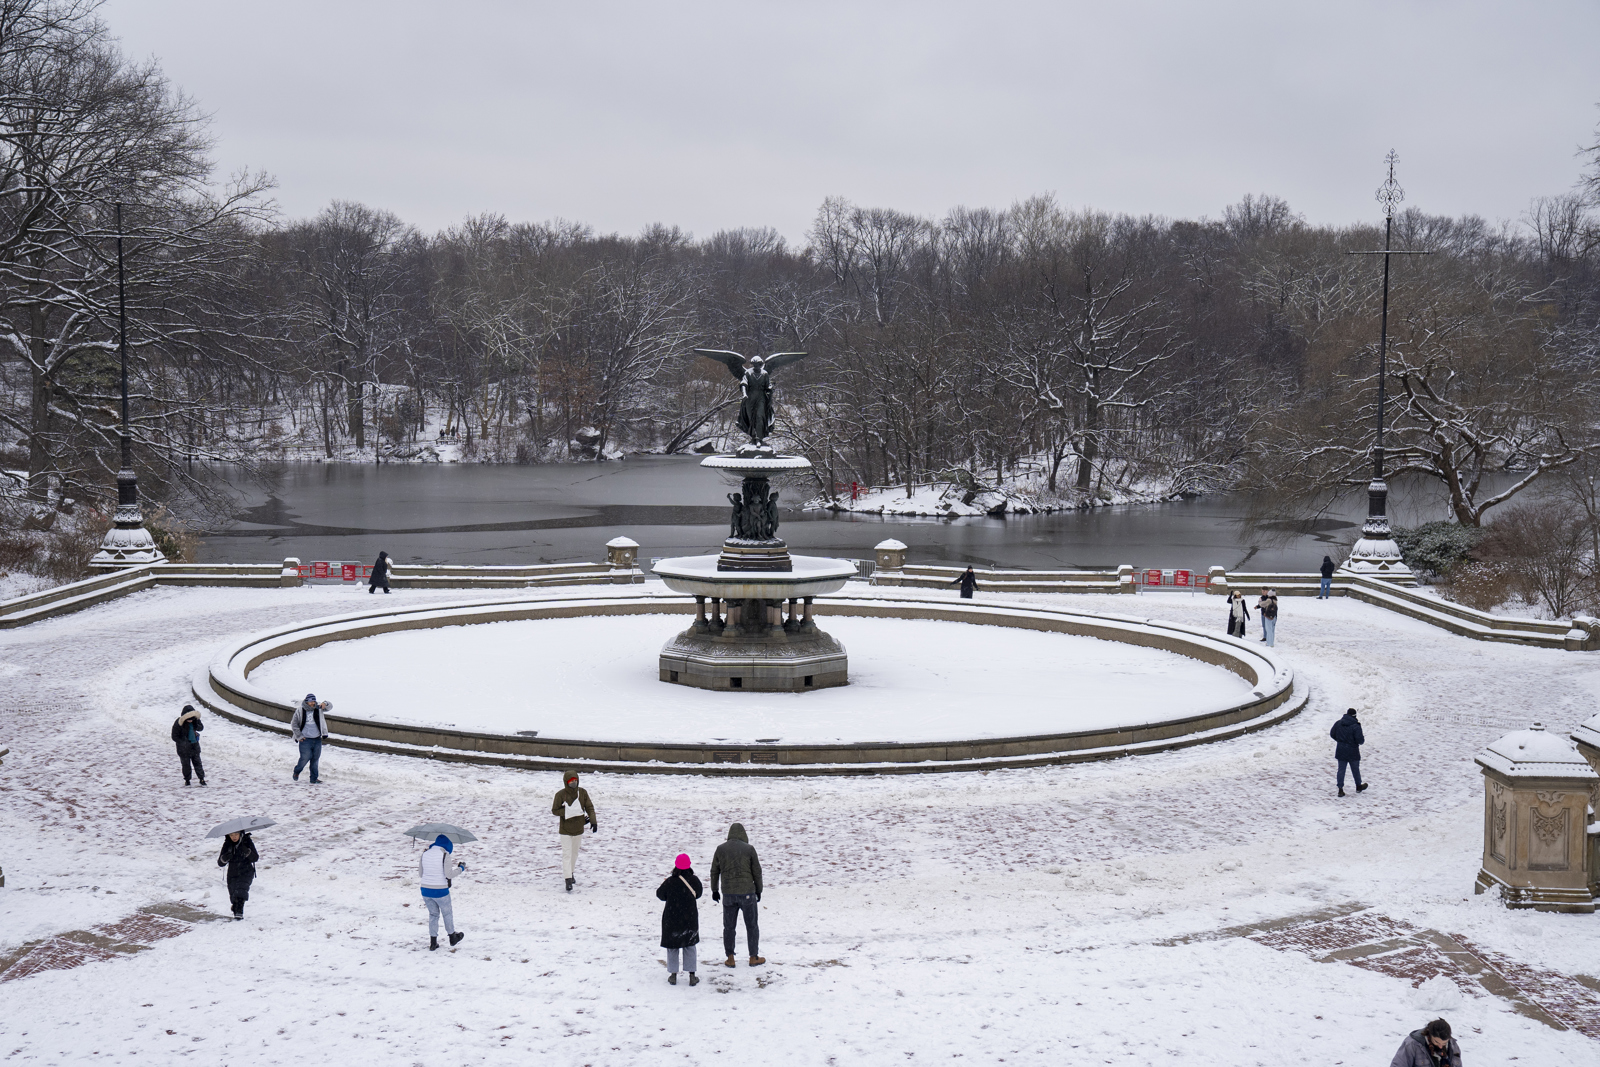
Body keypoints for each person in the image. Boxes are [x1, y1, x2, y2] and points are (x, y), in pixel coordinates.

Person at [710, 822, 764, 967]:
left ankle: (730, 957)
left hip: (728, 894)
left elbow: (714, 871)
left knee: (729, 927)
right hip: (747, 893)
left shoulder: (720, 849)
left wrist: (714, 890)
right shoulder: (749, 849)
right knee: (751, 926)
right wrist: (759, 890)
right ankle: (753, 957)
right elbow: (757, 872)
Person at [656, 853, 703, 986]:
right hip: (690, 918)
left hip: (672, 918)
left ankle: (673, 975)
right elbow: (698, 894)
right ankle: (692, 975)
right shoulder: (694, 880)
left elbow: (660, 895)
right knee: (690, 945)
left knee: (672, 946)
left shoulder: (670, 881)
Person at [551, 770, 597, 891]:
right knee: (567, 854)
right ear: (566, 782)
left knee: (574, 854)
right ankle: (568, 880)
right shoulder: (560, 795)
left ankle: (571, 873)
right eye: (571, 782)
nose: (574, 783)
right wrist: (568, 812)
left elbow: (589, 807)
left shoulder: (582, 793)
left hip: (578, 829)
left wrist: (593, 821)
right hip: (565, 830)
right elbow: (555, 810)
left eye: (575, 781)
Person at [419, 833, 466, 951]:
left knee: (433, 915)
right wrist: (461, 868)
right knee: (447, 913)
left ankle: (433, 943)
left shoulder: (425, 853)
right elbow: (449, 874)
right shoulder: (444, 854)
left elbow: (421, 874)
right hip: (440, 891)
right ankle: (452, 937)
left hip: (425, 890)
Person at [217, 830, 258, 920]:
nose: (234, 837)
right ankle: (236, 907)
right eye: (231, 835)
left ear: (240, 834)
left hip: (246, 871)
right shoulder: (227, 844)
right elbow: (220, 863)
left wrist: (248, 852)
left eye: (236, 834)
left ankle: (239, 912)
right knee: (233, 894)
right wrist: (225, 858)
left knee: (241, 890)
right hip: (232, 872)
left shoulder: (247, 841)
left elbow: (255, 858)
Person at [291, 694, 332, 784]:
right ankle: (297, 771)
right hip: (305, 740)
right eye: (310, 701)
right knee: (305, 758)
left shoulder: (319, 708)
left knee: (315, 759)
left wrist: (325, 703)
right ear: (306, 701)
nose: (312, 703)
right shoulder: (300, 710)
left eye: (314, 701)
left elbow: (330, 707)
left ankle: (313, 778)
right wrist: (299, 736)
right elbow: (294, 724)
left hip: (317, 739)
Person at [1389, 1019, 1461, 1067]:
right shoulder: (1413, 1044)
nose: (1440, 1046)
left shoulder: (1453, 1045)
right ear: (1429, 1034)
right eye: (1436, 1041)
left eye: (1444, 1043)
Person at [1330, 707, 1369, 797]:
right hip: (1353, 751)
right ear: (1355, 716)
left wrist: (1340, 741)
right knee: (1355, 769)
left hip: (1341, 750)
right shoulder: (1356, 726)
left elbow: (1332, 734)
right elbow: (1360, 741)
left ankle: (1340, 789)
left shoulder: (1338, 723)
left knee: (1341, 770)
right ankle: (1358, 786)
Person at [170, 704, 206, 786]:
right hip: (183, 749)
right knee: (186, 765)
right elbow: (174, 736)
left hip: (194, 747)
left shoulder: (195, 721)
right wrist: (183, 742)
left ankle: (201, 779)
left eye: (191, 719)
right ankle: (187, 780)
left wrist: (196, 722)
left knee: (198, 763)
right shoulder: (179, 723)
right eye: (188, 719)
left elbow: (201, 728)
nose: (190, 720)